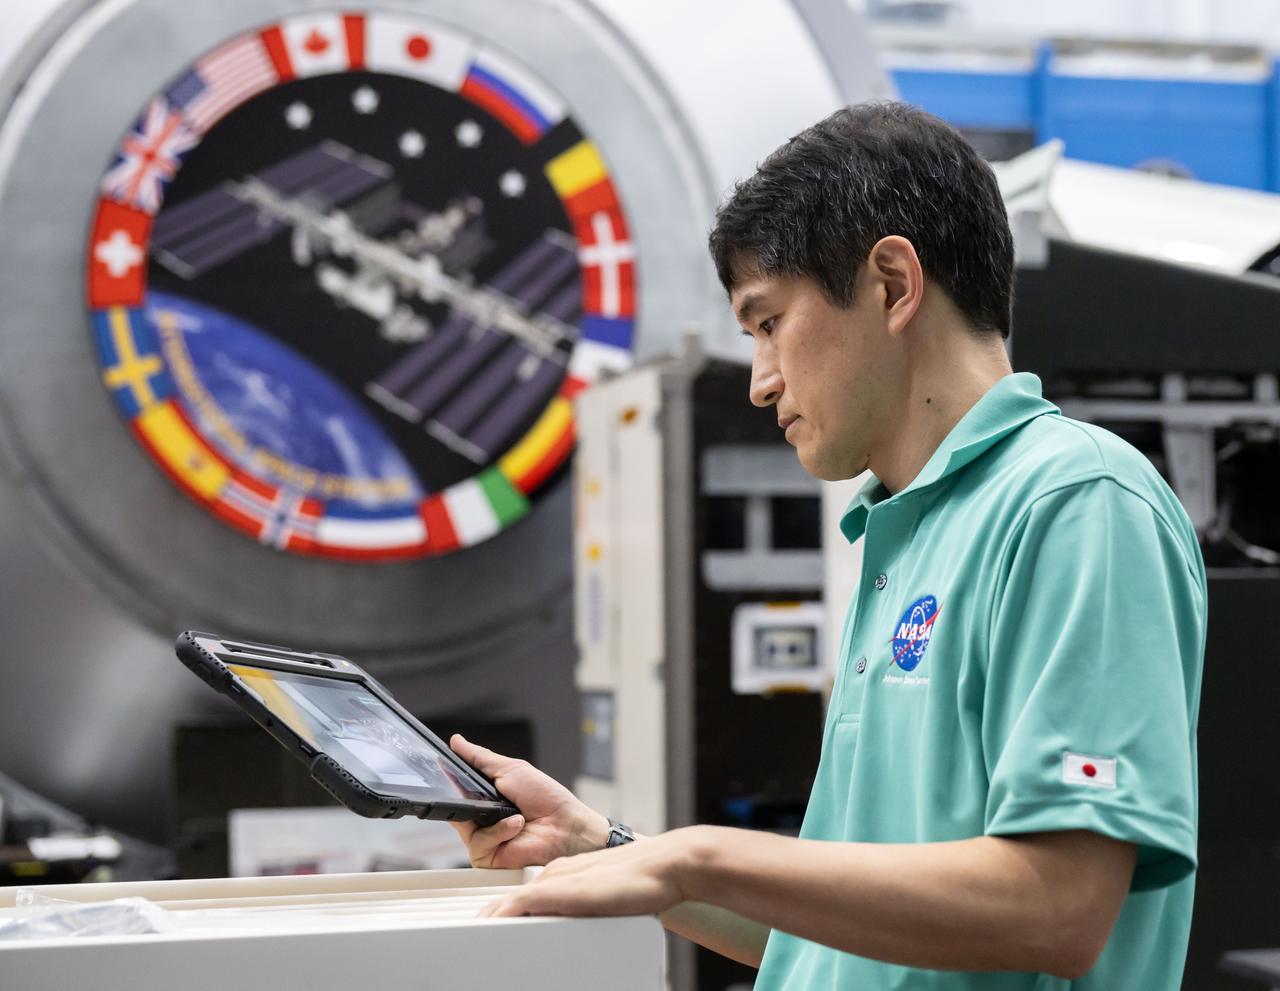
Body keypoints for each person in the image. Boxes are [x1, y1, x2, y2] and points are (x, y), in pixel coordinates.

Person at [448, 102, 1206, 989]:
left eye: (769, 323)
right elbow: (830, 936)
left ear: (892, 283)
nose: (763, 382)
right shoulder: (900, 533)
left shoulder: (1076, 504)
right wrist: (606, 848)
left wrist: (702, 857)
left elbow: (1059, 905)